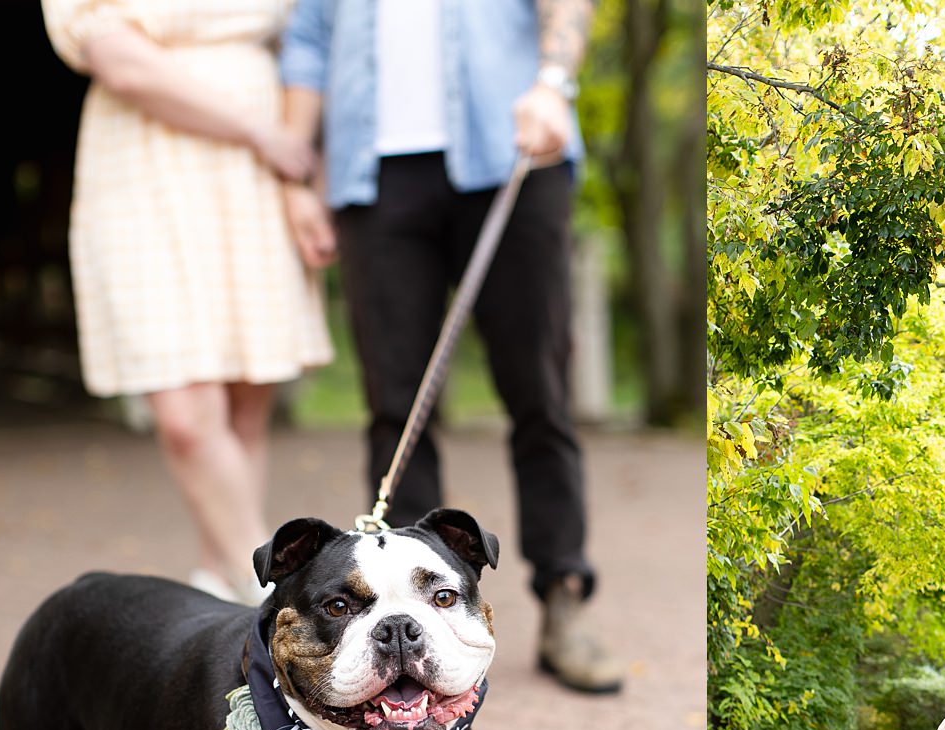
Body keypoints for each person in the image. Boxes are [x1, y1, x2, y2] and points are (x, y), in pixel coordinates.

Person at [277, 0, 623, 694]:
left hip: (515, 157)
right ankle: (408, 627)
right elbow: (308, 44)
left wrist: (554, 82)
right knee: (395, 406)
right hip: (372, 176)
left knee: (540, 393)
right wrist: (294, 179)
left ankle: (563, 600)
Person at [41, 0, 332, 605]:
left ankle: (214, 581)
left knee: (246, 399)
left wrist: (303, 175)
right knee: (185, 415)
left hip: (259, 170)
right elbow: (121, 63)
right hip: (148, 161)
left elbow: (312, 40)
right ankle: (273, 599)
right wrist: (257, 130)